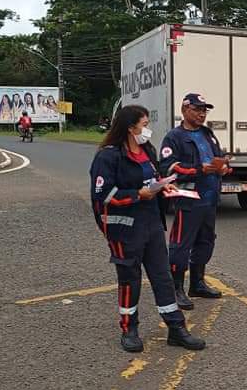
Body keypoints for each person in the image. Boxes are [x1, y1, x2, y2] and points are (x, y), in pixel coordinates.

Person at [89, 104, 206, 354]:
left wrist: (163, 187)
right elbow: (103, 195)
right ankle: (129, 328)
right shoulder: (108, 156)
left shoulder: (146, 150)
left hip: (152, 223)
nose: (147, 129)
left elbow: (154, 178)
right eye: (144, 124)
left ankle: (176, 328)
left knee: (162, 277)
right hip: (125, 228)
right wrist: (136, 194)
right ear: (130, 128)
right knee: (130, 279)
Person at [159, 92, 230, 308]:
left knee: (206, 241)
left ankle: (197, 283)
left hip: (210, 199)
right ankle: (177, 288)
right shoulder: (174, 137)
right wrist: (199, 169)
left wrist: (223, 167)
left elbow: (217, 156)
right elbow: (169, 167)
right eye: (197, 110)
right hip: (188, 199)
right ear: (184, 110)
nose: (201, 114)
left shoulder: (208, 134)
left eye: (204, 110)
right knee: (181, 245)